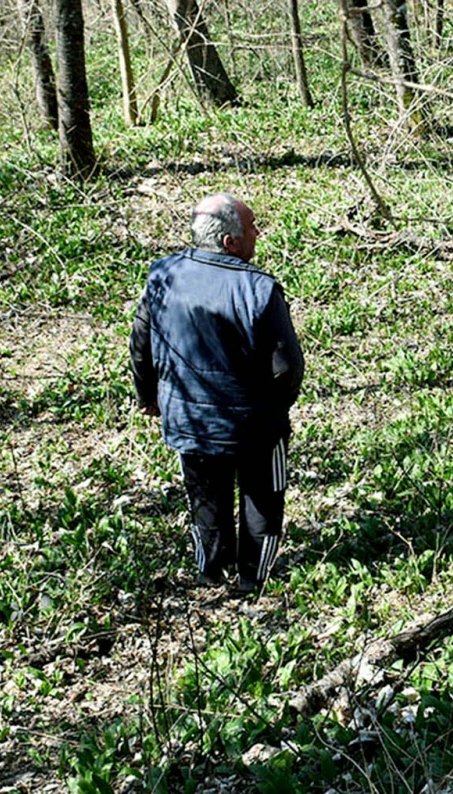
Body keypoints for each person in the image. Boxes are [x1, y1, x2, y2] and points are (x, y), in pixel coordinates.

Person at [129, 193, 304, 595]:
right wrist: (278, 407)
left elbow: (141, 343)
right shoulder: (260, 289)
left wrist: (148, 395)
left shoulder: (162, 275)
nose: (258, 233)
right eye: (252, 227)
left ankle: (210, 574)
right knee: (262, 501)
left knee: (205, 498)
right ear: (231, 242)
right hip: (256, 426)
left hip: (189, 420)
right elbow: (287, 366)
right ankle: (253, 580)